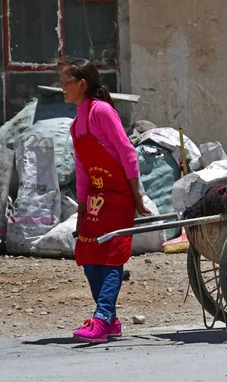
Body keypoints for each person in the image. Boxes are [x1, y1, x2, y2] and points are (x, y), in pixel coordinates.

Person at [62, 59, 150, 343]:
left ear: (82, 84)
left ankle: (100, 318)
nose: (62, 87)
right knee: (88, 255)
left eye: (66, 81)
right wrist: (81, 208)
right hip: (95, 200)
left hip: (119, 196)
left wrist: (137, 197)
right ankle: (109, 321)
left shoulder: (101, 112)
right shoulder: (76, 125)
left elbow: (127, 152)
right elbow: (82, 169)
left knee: (111, 258)